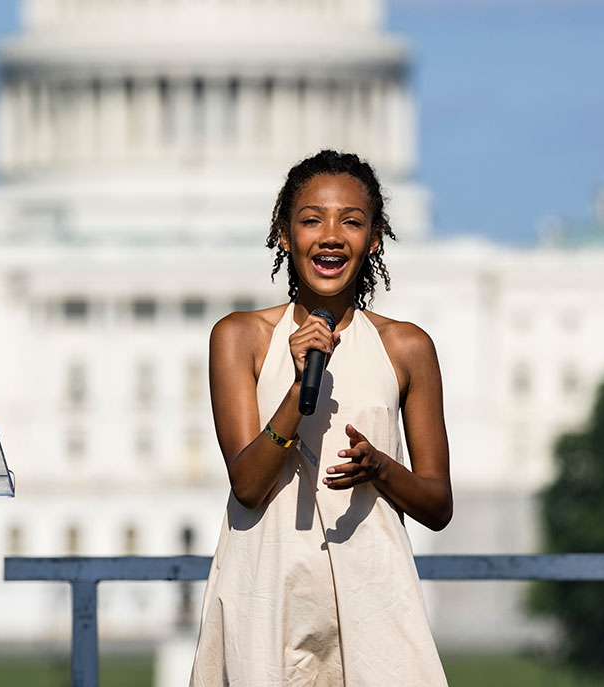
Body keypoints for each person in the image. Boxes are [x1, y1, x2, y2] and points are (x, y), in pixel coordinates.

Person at [189, 150, 452, 686]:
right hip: (268, 582)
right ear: (284, 234)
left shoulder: (406, 347)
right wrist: (296, 388)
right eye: (311, 220)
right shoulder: (240, 337)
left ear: (373, 238)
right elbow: (248, 484)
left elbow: (438, 505)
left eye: (351, 222)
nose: (330, 236)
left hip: (372, 585)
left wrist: (380, 467)